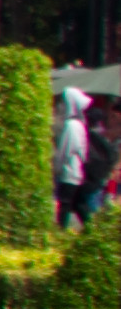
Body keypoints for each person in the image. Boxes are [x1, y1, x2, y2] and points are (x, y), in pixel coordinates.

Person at [56, 89, 91, 229]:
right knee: (77, 203)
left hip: (69, 171)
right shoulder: (79, 124)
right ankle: (92, 229)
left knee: (65, 204)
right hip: (76, 170)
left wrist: (57, 167)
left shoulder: (71, 125)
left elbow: (66, 150)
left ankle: (61, 231)